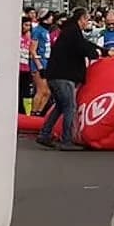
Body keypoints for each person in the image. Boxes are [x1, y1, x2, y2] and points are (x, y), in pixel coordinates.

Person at [40, 9, 103, 150]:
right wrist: (97, 53)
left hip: (55, 75)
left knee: (61, 106)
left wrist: (102, 50)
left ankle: (44, 134)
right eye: (87, 19)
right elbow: (83, 48)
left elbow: (85, 44)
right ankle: (66, 140)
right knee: (70, 107)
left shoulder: (69, 31)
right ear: (81, 19)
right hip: (64, 76)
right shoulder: (73, 32)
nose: (88, 22)